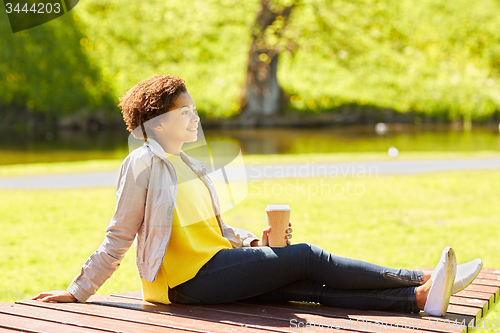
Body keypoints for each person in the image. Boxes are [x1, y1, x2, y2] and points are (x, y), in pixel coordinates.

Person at [32, 75, 483, 316]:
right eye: (184, 112)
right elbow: (118, 235)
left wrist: (254, 243)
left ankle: (419, 300)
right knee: (306, 257)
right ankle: (419, 276)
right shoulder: (143, 163)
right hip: (183, 283)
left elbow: (212, 230)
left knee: (301, 285)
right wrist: (78, 291)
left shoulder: (189, 164)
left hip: (214, 266)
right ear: (158, 122)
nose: (194, 118)